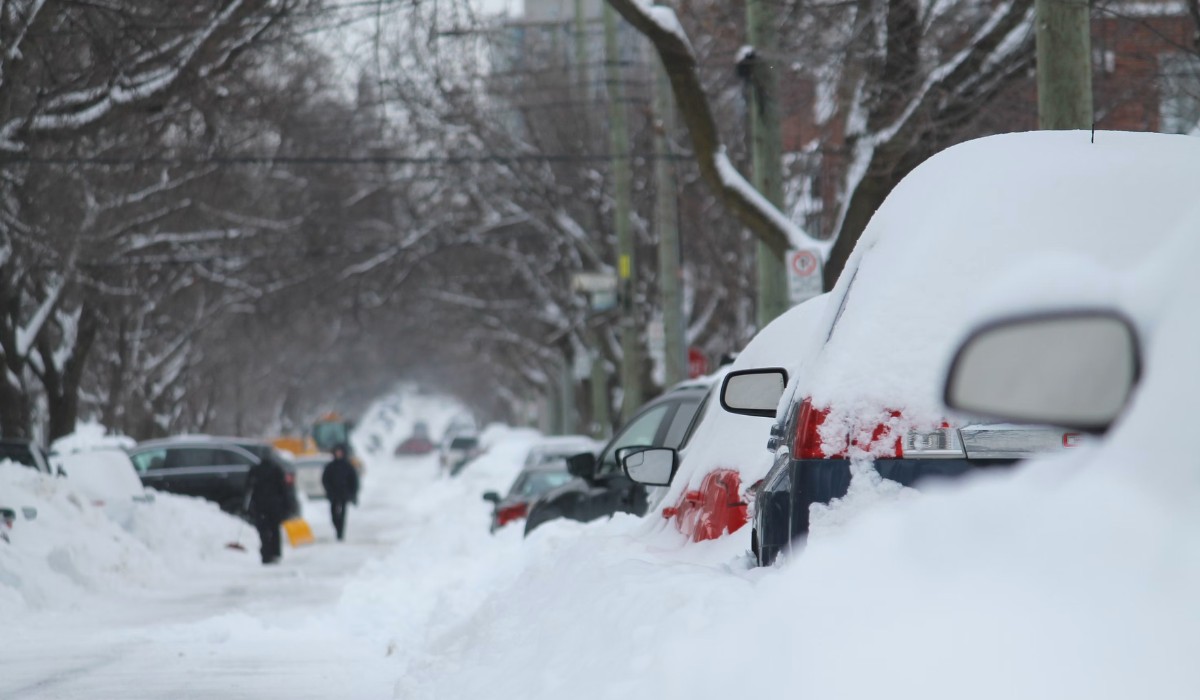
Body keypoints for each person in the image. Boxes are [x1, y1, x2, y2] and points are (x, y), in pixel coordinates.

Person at [245, 454, 290, 564]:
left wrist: (248, 505)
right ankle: (276, 552)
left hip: (260, 505)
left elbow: (248, 487)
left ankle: (266, 553)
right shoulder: (277, 470)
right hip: (275, 505)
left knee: (263, 530)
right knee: (275, 529)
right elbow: (283, 489)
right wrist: (286, 505)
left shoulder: (255, 470)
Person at [322, 443, 359, 541]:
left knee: (342, 514)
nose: (338, 454)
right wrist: (328, 489)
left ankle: (340, 533)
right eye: (337, 452)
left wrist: (353, 493)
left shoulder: (348, 466)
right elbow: (325, 479)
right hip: (333, 494)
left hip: (344, 494)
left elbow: (354, 481)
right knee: (333, 514)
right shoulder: (330, 466)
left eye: (340, 452)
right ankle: (337, 527)